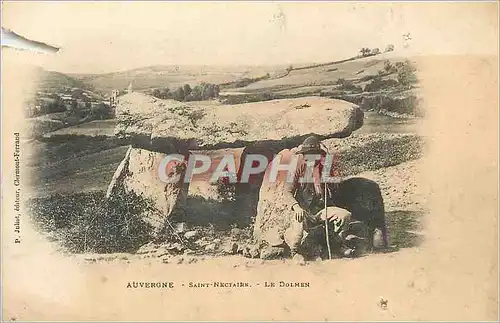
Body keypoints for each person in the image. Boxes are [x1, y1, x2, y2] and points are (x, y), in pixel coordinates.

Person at [282, 135, 368, 260]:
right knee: (298, 221)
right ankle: (295, 251)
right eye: (305, 155)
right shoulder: (295, 166)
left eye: (311, 155)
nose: (307, 158)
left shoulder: (325, 166)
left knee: (345, 215)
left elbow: (336, 185)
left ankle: (337, 244)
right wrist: (296, 207)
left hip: (322, 210)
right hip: (304, 211)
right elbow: (287, 192)